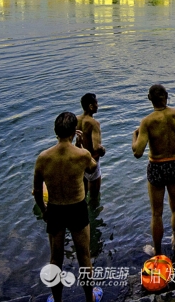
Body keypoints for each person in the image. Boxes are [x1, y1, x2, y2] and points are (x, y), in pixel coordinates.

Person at [33, 112, 101, 302]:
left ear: (55, 132)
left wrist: (44, 210)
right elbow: (93, 168)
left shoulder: (43, 157)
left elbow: (37, 191)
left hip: (55, 208)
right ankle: (90, 298)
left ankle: (57, 300)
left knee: (55, 260)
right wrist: (79, 146)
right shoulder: (82, 154)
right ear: (74, 131)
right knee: (84, 258)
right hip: (77, 208)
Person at [132, 84, 175, 259]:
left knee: (157, 213)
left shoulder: (147, 121)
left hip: (157, 166)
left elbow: (138, 153)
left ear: (149, 99)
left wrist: (134, 137)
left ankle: (158, 252)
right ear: (167, 96)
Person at [78, 93, 106, 199]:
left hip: (79, 159)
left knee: (82, 195)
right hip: (91, 161)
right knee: (94, 198)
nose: (97, 105)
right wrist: (103, 150)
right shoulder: (94, 123)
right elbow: (96, 147)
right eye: (96, 103)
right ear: (91, 106)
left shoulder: (76, 120)